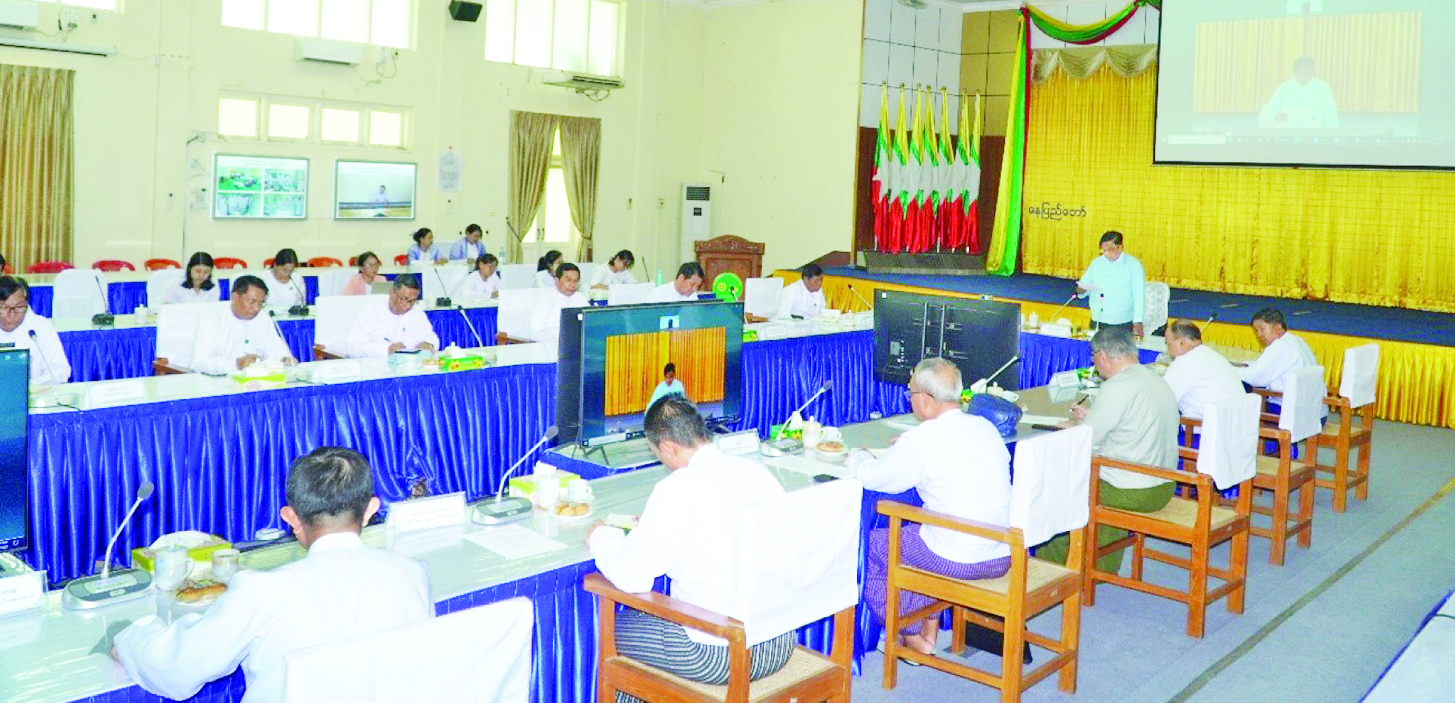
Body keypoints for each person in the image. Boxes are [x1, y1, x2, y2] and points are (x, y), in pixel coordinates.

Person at [113, 447, 433, 702]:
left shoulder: (264, 589)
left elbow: (177, 668)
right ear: (371, 509)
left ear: (291, 518)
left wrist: (130, 637)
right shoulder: (412, 574)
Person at [586, 395, 792, 696]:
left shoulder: (678, 487)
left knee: (610, 630)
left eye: (657, 453)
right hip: (778, 642)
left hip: (719, 655)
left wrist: (602, 537)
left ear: (669, 447)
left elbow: (632, 578)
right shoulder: (757, 472)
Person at [848, 358, 1011, 656]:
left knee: (874, 546)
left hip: (958, 559)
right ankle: (930, 630)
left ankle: (913, 637)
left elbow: (874, 479)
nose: (910, 400)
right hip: (1001, 553)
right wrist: (908, 445)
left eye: (910, 393)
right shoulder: (985, 427)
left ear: (925, 398)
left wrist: (858, 456)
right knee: (917, 536)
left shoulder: (923, 439)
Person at [1039, 327, 1179, 573]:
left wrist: (1072, 427)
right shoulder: (1157, 380)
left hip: (1133, 491)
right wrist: (1090, 420)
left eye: (1094, 358)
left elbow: (1089, 441)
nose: (1095, 364)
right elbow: (1128, 429)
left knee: (1057, 490)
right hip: (1164, 484)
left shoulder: (1117, 386)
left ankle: (1053, 570)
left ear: (1102, 355)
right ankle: (1100, 566)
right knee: (1101, 477)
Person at [190, 276, 296, 374]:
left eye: (261, 303)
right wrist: (236, 364)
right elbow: (199, 363)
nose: (257, 308)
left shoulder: (263, 318)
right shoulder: (212, 321)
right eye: (252, 302)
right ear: (235, 297)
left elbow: (275, 349)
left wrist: (284, 359)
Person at [1162, 319, 1244, 420]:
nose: (1167, 349)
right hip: (1236, 425)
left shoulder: (1185, 362)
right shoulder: (1215, 356)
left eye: (1168, 344)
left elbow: (1163, 399)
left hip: (1203, 428)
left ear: (1181, 343)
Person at [344, 275, 439, 358]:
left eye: (412, 301)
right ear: (392, 293)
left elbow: (430, 336)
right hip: (376, 367)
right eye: (404, 299)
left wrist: (428, 343)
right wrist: (386, 350)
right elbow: (353, 348)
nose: (408, 306)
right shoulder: (370, 311)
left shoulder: (416, 311)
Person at [0, 276, 70, 385]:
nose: (12, 315)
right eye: (5, 308)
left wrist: (28, 386)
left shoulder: (40, 327)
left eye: (19, 307)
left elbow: (60, 371)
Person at [1076, 231, 1146, 337]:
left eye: (1110, 250)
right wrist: (1081, 291)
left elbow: (1139, 295)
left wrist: (1138, 321)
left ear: (1120, 247)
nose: (1106, 254)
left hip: (1123, 323)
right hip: (1098, 320)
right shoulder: (1096, 263)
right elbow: (1083, 288)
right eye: (1103, 250)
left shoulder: (1133, 265)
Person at [1239, 307, 1320, 394]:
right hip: (1308, 400)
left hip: (1282, 400)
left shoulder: (1280, 346)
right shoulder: (1296, 339)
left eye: (1262, 329)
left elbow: (1254, 378)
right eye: (1256, 330)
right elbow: (1268, 366)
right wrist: (1247, 365)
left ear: (1278, 327)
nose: (1259, 334)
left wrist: (1230, 370)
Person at [1259, 56, 1339, 130]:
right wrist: (1276, 116)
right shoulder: (1285, 88)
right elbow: (1268, 111)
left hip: (1313, 135)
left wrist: (1333, 135)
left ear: (1313, 72)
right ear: (1294, 72)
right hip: (1287, 134)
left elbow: (1331, 115)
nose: (1302, 78)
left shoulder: (1322, 88)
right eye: (1299, 74)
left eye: (1306, 74)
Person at [529, 263, 587, 346]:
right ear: (557, 281)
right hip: (549, 346)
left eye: (576, 281)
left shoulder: (580, 298)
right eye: (568, 280)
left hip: (576, 346)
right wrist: (561, 342)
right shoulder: (546, 299)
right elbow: (535, 333)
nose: (572, 284)